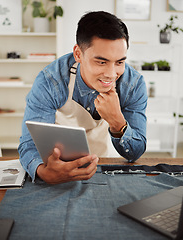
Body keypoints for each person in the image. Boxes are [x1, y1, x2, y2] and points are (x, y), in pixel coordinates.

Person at [18, 11, 148, 184]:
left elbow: (135, 154)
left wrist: (118, 122)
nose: (111, 74)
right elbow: (29, 143)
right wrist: (43, 172)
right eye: (101, 62)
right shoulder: (51, 81)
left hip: (102, 169)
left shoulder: (133, 85)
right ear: (78, 54)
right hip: (57, 168)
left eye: (119, 62)